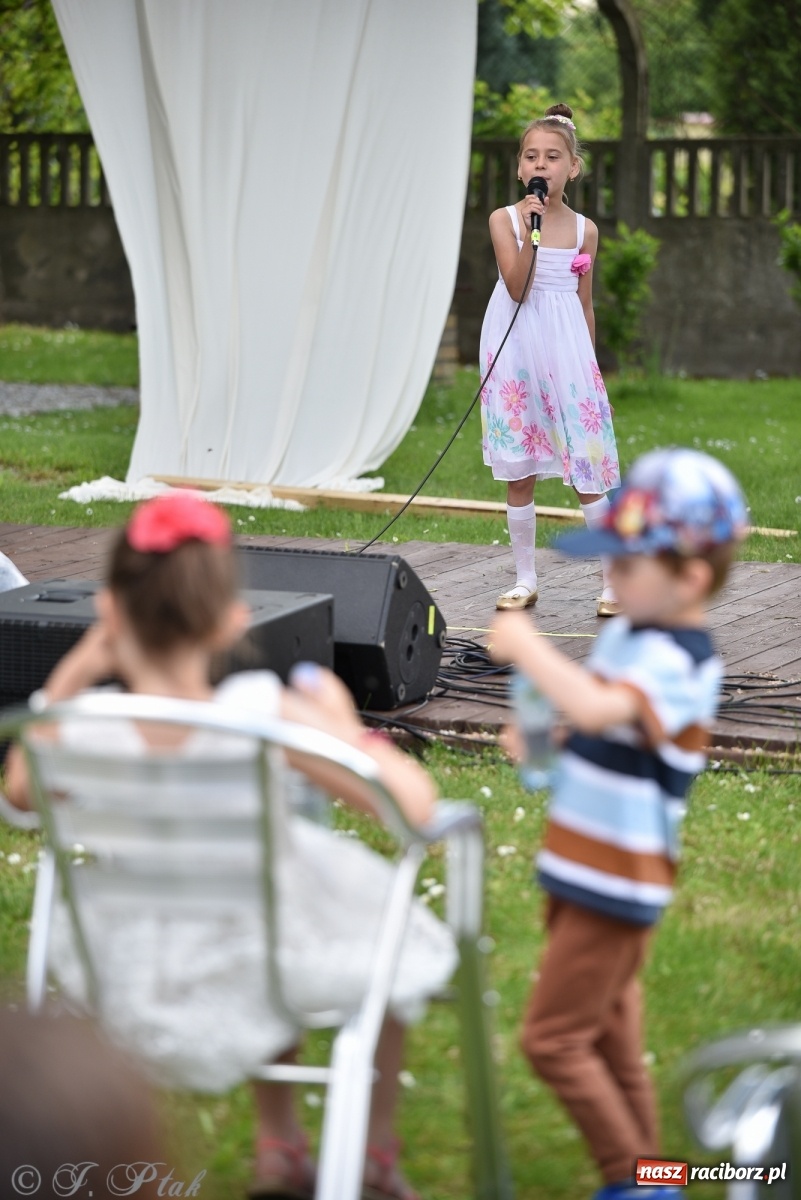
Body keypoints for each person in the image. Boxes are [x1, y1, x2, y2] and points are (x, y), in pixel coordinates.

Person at [5, 490, 456, 1200]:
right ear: (232, 620)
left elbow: (18, 790)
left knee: (267, 919)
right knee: (362, 943)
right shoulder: (264, 716)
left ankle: (279, 1145)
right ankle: (371, 1152)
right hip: (261, 950)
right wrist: (346, 728)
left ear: (110, 613)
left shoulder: (75, 725)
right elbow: (413, 807)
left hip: (129, 967)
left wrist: (75, 674)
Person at [489, 448, 748, 1200]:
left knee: (552, 1039)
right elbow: (600, 723)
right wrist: (546, 737)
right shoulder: (632, 635)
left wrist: (531, 650)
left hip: (617, 879)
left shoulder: (681, 656)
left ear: (689, 578)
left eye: (624, 565)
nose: (611, 578)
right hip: (580, 864)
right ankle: (653, 1177)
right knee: (610, 1042)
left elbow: (607, 705)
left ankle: (629, 1181)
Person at [479, 102, 621, 616]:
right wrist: (530, 230)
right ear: (520, 168)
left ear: (573, 168)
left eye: (553, 157)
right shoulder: (506, 221)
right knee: (519, 469)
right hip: (517, 351)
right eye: (532, 157)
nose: (542, 165)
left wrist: (590, 367)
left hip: (566, 354)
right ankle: (524, 578)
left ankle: (611, 582)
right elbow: (517, 288)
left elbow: (584, 303)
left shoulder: (586, 231)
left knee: (588, 467)